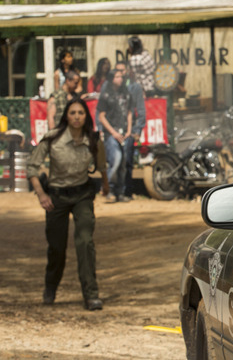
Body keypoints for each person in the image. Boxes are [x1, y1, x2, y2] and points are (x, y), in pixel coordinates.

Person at [27, 97, 109, 311]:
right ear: (66, 116)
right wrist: (41, 195)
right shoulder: (53, 138)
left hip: (82, 195)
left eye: (80, 113)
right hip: (57, 197)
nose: (76, 117)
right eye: (72, 113)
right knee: (57, 247)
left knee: (85, 242)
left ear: (86, 116)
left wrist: (107, 187)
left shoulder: (93, 139)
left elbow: (102, 166)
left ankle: (91, 295)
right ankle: (50, 287)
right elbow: (32, 168)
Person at [97, 69, 133, 203]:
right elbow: (101, 116)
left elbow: (129, 112)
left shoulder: (126, 94)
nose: (120, 79)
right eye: (117, 77)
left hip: (124, 133)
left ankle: (120, 192)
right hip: (111, 135)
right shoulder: (106, 95)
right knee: (116, 160)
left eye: (121, 77)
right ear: (112, 79)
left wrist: (129, 130)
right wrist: (113, 132)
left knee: (123, 164)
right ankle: (109, 188)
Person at [119, 62, 146, 199]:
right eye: (118, 70)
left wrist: (138, 129)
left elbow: (140, 109)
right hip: (114, 130)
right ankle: (115, 190)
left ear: (128, 71)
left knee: (127, 159)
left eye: (122, 70)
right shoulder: (111, 87)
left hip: (129, 130)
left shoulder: (134, 87)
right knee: (114, 160)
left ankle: (126, 191)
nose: (120, 73)